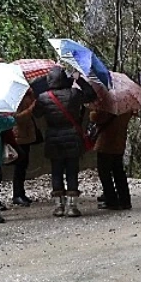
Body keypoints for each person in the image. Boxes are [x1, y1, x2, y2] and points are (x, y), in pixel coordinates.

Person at [35, 67, 95, 217]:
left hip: (53, 137)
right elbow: (91, 95)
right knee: (72, 170)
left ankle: (58, 206)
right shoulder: (74, 94)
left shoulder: (43, 97)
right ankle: (72, 206)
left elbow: (36, 113)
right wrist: (78, 79)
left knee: (56, 171)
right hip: (72, 136)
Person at [92, 107, 134, 210]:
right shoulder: (126, 107)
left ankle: (111, 200)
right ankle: (125, 200)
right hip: (119, 142)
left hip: (105, 143)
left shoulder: (108, 106)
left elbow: (96, 118)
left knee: (104, 173)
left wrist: (94, 111)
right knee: (119, 171)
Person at [9, 92, 39, 206]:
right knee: (19, 165)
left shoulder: (29, 94)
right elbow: (17, 118)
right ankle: (17, 194)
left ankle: (20, 192)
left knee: (23, 165)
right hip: (19, 135)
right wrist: (31, 108)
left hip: (27, 135)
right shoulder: (14, 97)